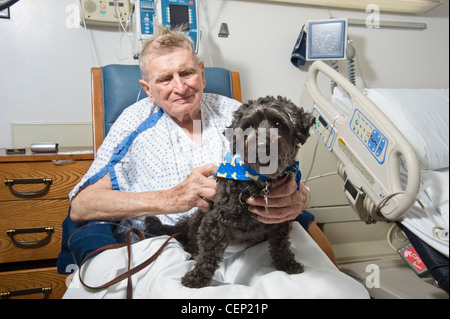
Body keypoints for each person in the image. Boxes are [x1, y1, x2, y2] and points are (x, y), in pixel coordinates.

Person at [68, 25, 310, 237]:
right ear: (148, 89)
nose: (180, 87)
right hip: (165, 241)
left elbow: (280, 167)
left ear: (202, 74)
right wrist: (168, 199)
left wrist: (300, 197)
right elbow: (82, 205)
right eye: (165, 79)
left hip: (243, 235)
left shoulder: (236, 115)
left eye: (187, 73)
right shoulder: (133, 121)